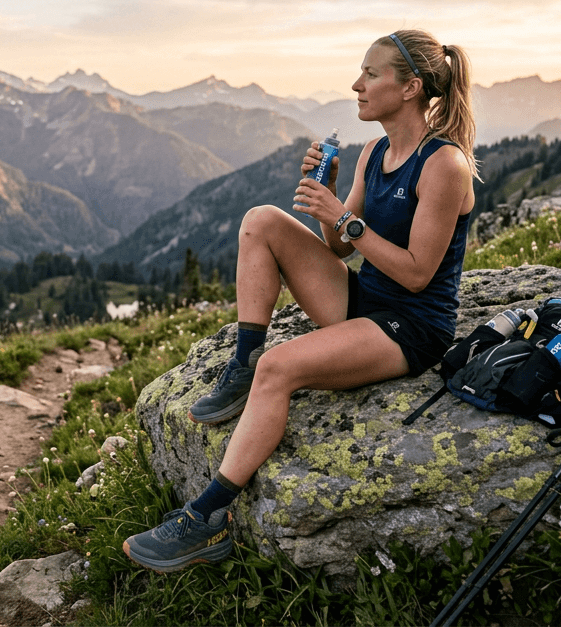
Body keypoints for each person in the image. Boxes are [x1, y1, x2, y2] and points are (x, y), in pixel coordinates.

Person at [123, 29, 479, 572]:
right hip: (362, 300)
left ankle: (207, 521)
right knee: (262, 220)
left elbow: (415, 274)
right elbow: (338, 245)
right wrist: (329, 197)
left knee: (281, 367)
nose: (357, 85)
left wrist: (344, 217)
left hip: (410, 327)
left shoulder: (444, 165)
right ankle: (242, 365)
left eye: (371, 74)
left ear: (410, 87)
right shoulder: (377, 152)